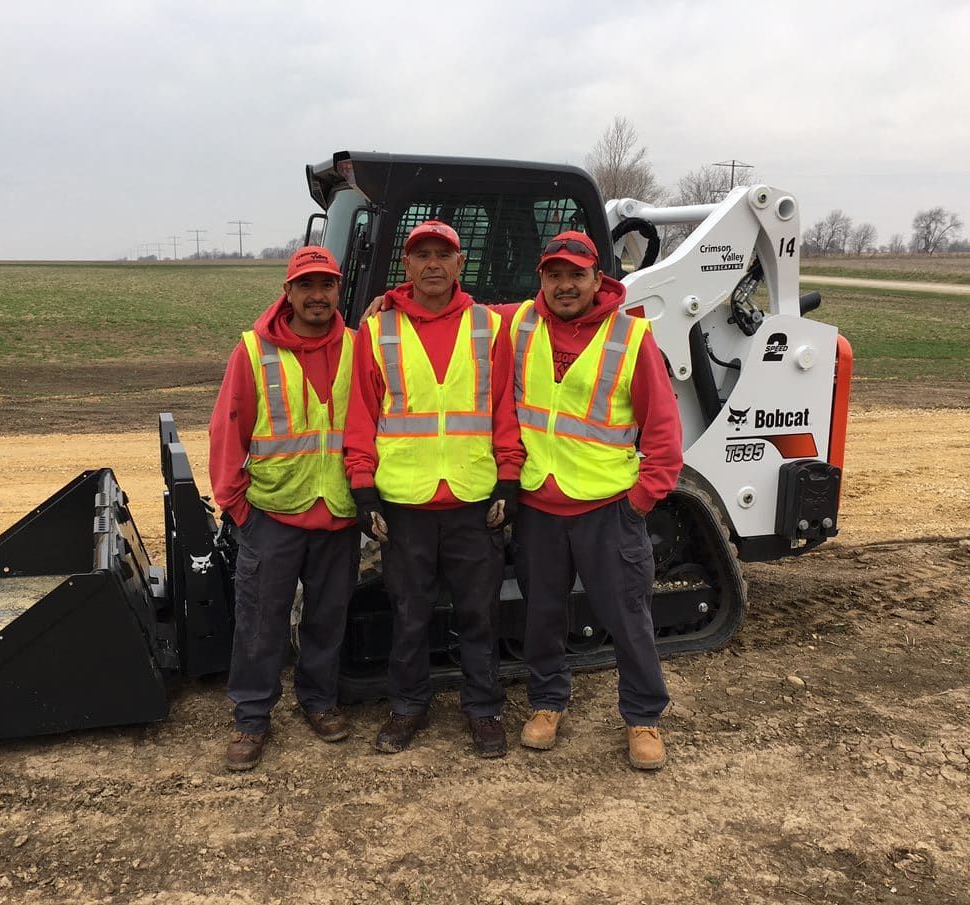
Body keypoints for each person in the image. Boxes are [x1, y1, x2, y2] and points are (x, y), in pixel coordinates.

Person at [344, 220, 524, 758]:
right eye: (421, 255)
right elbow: (361, 417)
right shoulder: (377, 332)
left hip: (473, 499)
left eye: (442, 255)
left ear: (459, 262)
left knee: (479, 613)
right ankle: (407, 707)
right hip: (405, 504)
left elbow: (503, 412)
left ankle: (484, 709)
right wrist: (364, 491)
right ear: (407, 266)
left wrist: (508, 480)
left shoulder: (489, 327)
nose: (432, 265)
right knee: (409, 614)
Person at [509, 230, 682, 770]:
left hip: (609, 508)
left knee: (627, 616)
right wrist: (390, 300)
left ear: (596, 279)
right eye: (554, 275)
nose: (564, 286)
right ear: (541, 278)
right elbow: (451, 310)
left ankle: (643, 716)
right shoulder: (517, 323)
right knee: (540, 614)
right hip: (539, 502)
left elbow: (662, 428)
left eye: (576, 275)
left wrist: (643, 497)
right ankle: (546, 702)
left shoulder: (630, 337)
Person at [208, 246, 360, 771]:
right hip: (271, 513)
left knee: (328, 617)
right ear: (288, 291)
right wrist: (236, 506)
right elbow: (228, 429)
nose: (317, 297)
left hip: (338, 512)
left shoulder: (360, 348)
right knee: (260, 620)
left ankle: (318, 701)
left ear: (338, 291)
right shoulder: (254, 352)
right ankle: (252, 717)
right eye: (306, 286)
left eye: (327, 286)